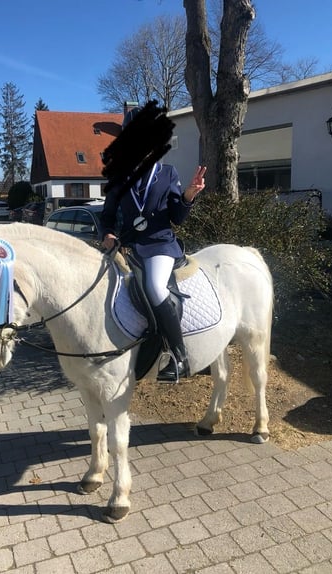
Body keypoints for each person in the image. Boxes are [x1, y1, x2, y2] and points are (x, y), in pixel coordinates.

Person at [100, 106, 207, 382]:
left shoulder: (167, 174)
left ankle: (179, 356)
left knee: (154, 287)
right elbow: (108, 215)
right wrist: (108, 234)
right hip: (127, 248)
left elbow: (177, 217)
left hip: (159, 245)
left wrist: (188, 196)